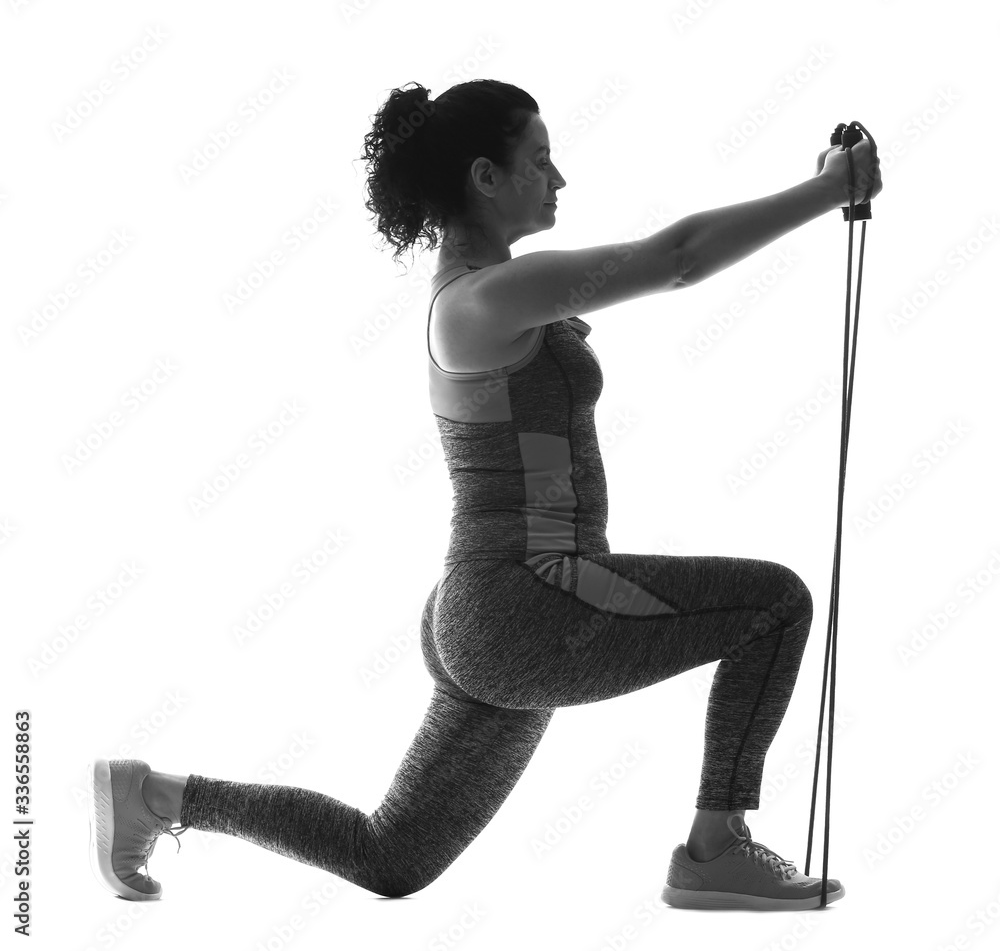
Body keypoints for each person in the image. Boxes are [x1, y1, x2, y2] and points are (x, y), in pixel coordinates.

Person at [88, 78, 881, 911]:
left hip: (498, 609)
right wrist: (831, 188)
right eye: (539, 159)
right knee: (775, 606)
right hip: (528, 598)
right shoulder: (484, 299)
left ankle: (157, 795)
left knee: (391, 858)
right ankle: (714, 848)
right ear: (485, 177)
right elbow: (676, 260)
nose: (559, 178)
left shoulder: (489, 293)